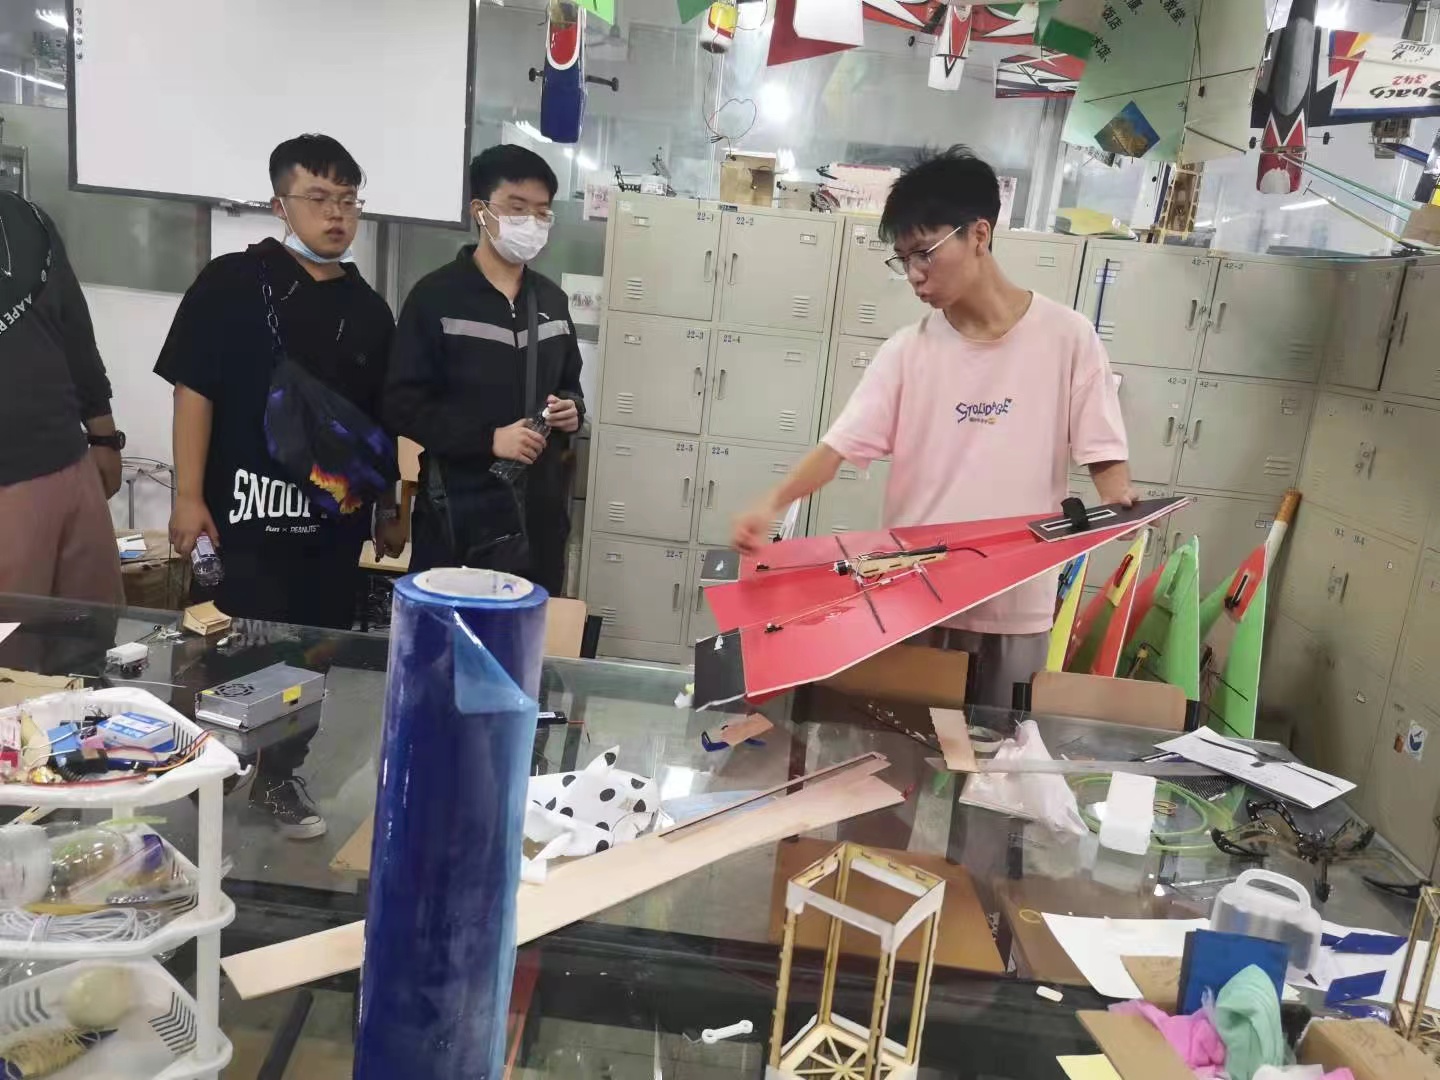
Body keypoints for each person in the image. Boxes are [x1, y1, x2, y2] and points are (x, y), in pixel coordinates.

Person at [731, 147, 1135, 708]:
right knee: (902, 744)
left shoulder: (1068, 338)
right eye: (903, 260)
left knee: (997, 750)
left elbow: (1102, 449)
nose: (915, 275)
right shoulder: (908, 352)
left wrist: (1119, 502)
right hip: (914, 596)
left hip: (1015, 604)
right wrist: (772, 503)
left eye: (925, 253)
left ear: (979, 234)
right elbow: (838, 447)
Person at [156, 134, 404, 839]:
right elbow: (193, 391)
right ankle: (210, 765)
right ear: (279, 204)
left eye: (348, 200)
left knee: (311, 652)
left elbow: (381, 424)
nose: (336, 214)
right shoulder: (230, 283)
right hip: (242, 516)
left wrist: (389, 506)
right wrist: (187, 495)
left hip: (330, 528)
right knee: (232, 645)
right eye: (318, 198)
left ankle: (278, 775)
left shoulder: (370, 310)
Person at [385, 144, 584, 595]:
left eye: (542, 212)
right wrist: (488, 439)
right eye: (517, 208)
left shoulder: (552, 301)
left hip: (538, 517)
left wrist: (571, 409)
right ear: (481, 210)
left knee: (529, 629)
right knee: (449, 630)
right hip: (459, 511)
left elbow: (568, 383)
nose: (531, 222)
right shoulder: (436, 298)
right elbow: (401, 404)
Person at [0, 193, 125, 605]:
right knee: (13, 640)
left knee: (96, 626)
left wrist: (104, 438)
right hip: (8, 484)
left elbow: (75, 334)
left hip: (71, 463)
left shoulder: (27, 216)